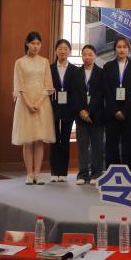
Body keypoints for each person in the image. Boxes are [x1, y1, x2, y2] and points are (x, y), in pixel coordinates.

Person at [12, 31, 55, 185]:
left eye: (38, 44)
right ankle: (29, 174)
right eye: (33, 43)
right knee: (27, 140)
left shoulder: (45, 62)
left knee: (39, 140)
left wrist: (38, 102)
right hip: (25, 104)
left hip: (42, 103)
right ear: (27, 44)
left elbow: (48, 85)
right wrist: (29, 103)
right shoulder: (20, 62)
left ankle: (38, 173)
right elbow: (19, 85)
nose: (36, 46)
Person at [103, 35, 131, 173]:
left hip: (129, 112)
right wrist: (115, 110)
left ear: (129, 49)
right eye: (119, 47)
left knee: (128, 145)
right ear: (115, 49)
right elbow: (106, 90)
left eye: (124, 47)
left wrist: (124, 111)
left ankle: (128, 173)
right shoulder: (108, 67)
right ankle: (111, 173)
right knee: (111, 145)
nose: (121, 50)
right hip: (112, 112)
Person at [73, 44, 106, 185]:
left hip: (97, 115)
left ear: (95, 56)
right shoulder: (76, 73)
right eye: (84, 54)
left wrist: (89, 111)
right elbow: (74, 94)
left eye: (90, 54)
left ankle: (96, 174)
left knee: (97, 146)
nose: (87, 57)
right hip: (80, 116)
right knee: (82, 146)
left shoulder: (101, 73)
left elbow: (100, 94)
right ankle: (82, 174)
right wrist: (81, 110)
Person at [49, 39, 81, 182]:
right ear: (56, 51)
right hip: (53, 108)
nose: (63, 51)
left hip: (69, 109)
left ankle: (63, 172)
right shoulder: (49, 69)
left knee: (65, 140)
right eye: (60, 48)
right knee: (54, 139)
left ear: (69, 51)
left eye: (65, 48)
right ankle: (54, 172)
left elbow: (76, 91)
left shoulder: (75, 70)